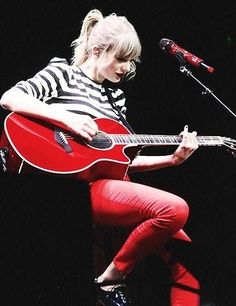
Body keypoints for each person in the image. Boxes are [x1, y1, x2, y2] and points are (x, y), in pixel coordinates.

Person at [0, 8, 200, 306]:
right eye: (121, 58)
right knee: (175, 209)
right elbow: (10, 97)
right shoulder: (63, 74)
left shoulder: (115, 98)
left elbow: (121, 162)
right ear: (96, 50)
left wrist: (172, 160)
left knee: (185, 257)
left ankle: (109, 279)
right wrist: (66, 119)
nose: (127, 67)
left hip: (106, 184)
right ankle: (109, 280)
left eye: (131, 60)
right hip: (70, 190)